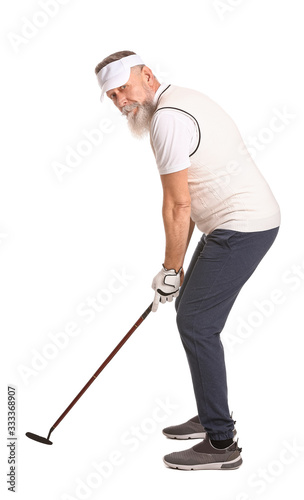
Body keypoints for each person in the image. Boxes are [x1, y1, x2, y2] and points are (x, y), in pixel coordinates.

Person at [94, 51, 281, 471]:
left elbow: (178, 205)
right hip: (232, 224)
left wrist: (171, 270)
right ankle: (211, 410)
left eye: (123, 87)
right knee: (191, 314)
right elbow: (192, 196)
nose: (121, 100)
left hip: (243, 227)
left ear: (147, 74)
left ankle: (221, 443)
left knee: (196, 323)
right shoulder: (179, 101)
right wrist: (174, 273)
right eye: (111, 96)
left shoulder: (167, 119)